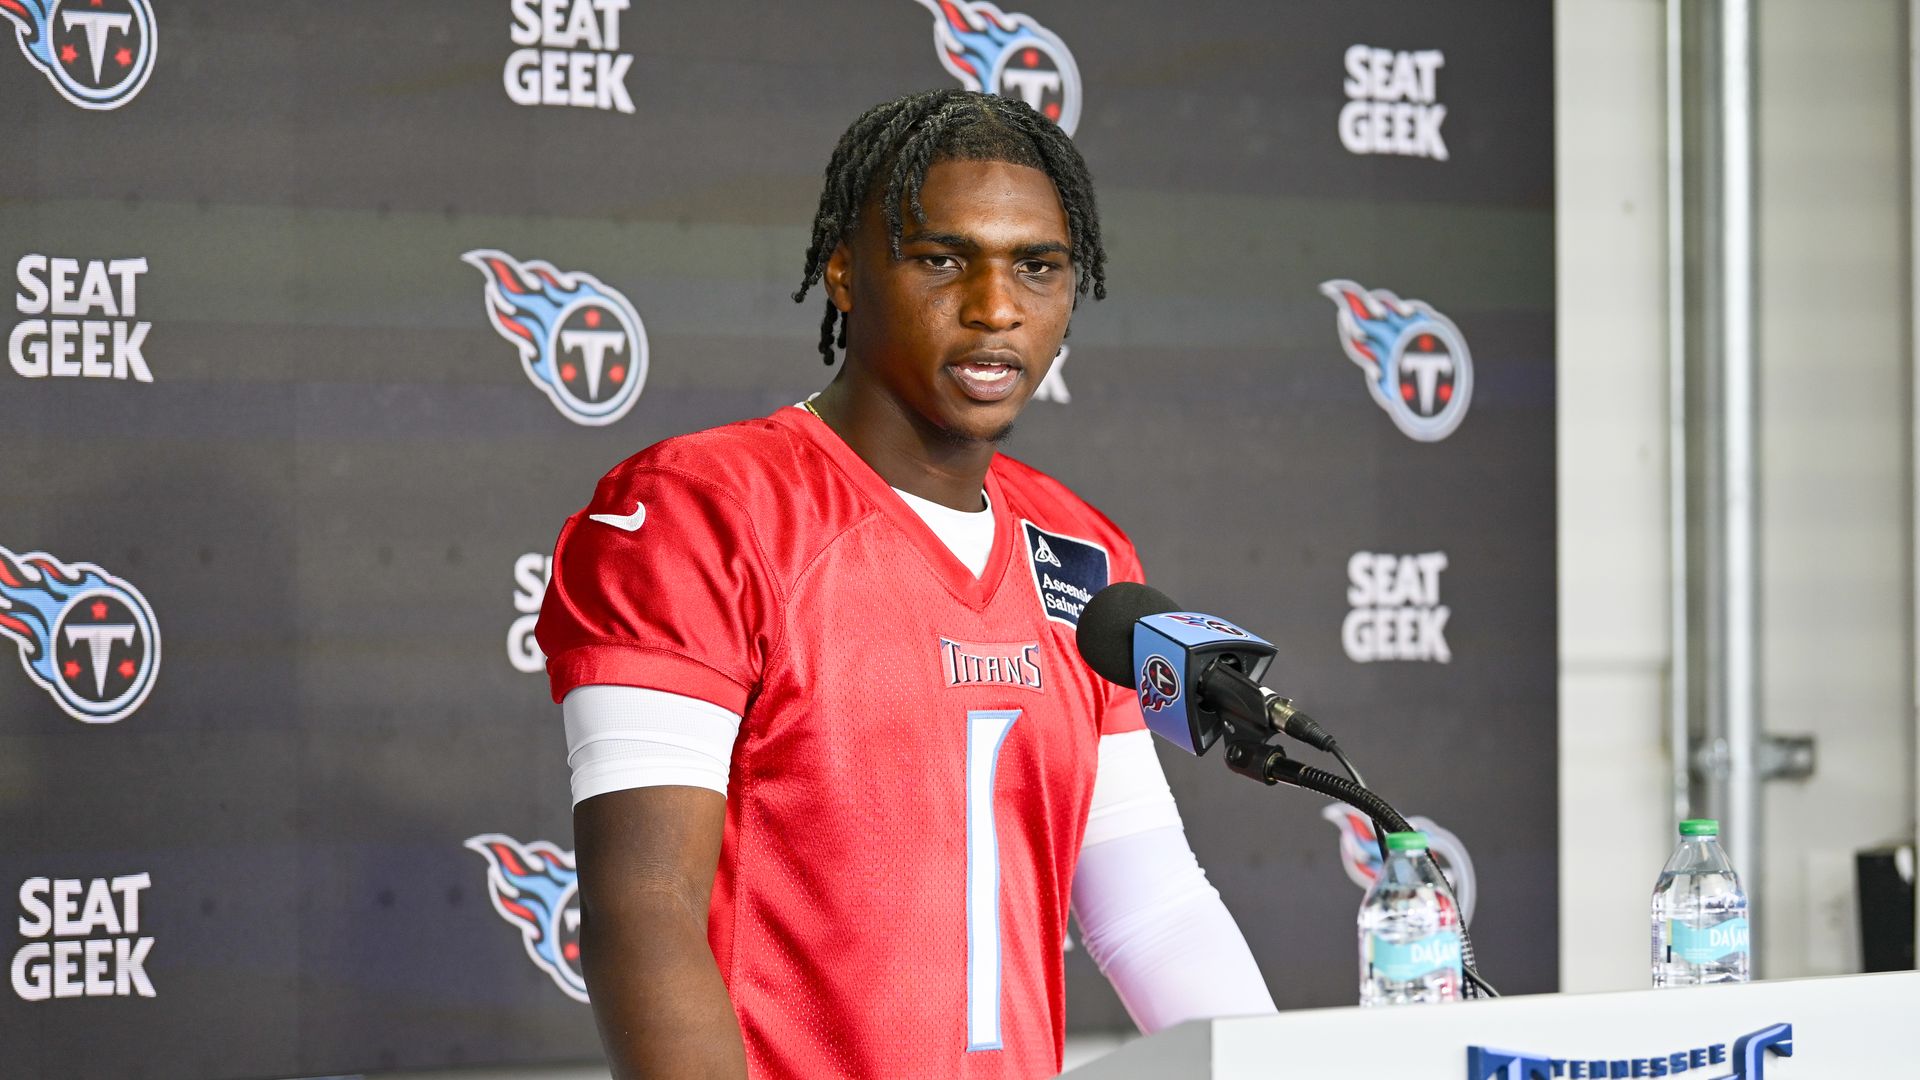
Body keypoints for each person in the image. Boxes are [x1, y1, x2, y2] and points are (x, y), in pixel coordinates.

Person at [536, 88, 1275, 1080]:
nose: (996, 306)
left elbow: (1151, 908)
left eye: (1038, 266)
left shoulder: (1082, 552)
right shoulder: (697, 509)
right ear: (844, 272)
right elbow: (646, 905)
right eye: (940, 259)